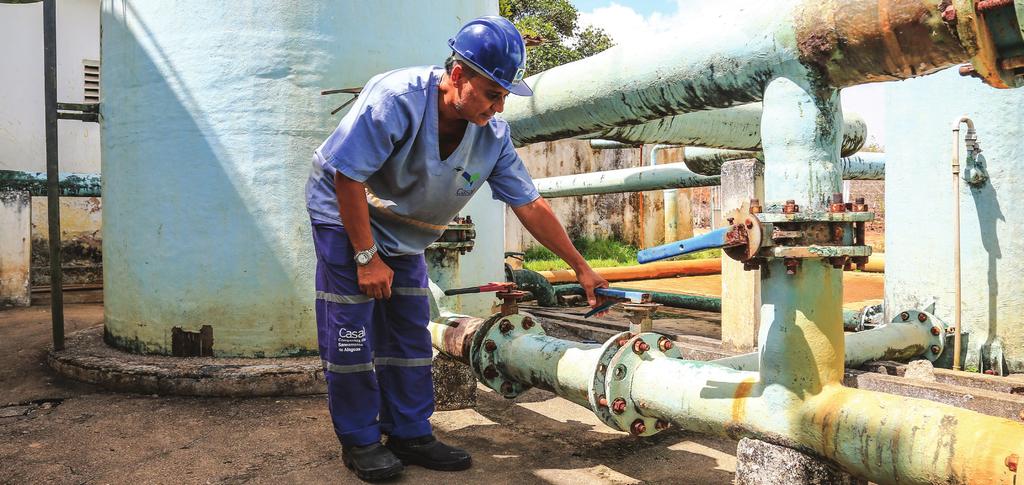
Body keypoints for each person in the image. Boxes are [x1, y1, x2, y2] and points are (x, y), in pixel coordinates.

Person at [305, 15, 609, 482]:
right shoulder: (396, 99)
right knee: (353, 335)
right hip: (345, 216)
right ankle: (361, 439)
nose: (498, 104)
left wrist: (581, 266)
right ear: (459, 74)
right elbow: (347, 176)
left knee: (408, 330)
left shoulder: (492, 136)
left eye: (505, 95)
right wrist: (366, 257)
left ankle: (409, 431)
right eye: (493, 92)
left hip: (403, 231)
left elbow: (530, 205)